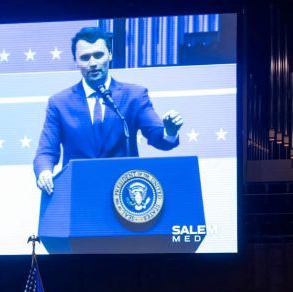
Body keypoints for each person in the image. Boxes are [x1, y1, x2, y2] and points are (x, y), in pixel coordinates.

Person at [34, 27, 184, 194]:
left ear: (110, 55)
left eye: (98, 55)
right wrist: (44, 172)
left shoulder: (134, 96)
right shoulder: (59, 103)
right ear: (76, 61)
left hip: (124, 191)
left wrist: (170, 131)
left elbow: (158, 137)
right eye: (85, 57)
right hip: (78, 191)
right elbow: (46, 151)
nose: (93, 63)